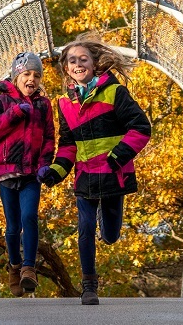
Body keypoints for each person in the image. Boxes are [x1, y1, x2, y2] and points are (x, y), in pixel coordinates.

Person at [37, 34, 151, 305]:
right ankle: (89, 287)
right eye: (72, 60)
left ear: (94, 63)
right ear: (66, 68)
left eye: (83, 59)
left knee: (110, 236)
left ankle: (108, 225)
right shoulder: (65, 104)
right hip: (85, 176)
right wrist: (56, 171)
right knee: (85, 227)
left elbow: (141, 128)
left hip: (113, 173)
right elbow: (68, 144)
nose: (78, 64)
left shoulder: (114, 92)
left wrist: (117, 157)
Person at [0, 52, 55, 297]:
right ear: (16, 76)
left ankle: (28, 269)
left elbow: (48, 138)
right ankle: (14, 266)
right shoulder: (2, 101)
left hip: (32, 173)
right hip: (7, 172)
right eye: (26, 74)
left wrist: (45, 163)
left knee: (29, 217)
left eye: (36, 75)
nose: (31, 79)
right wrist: (15, 113)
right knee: (12, 226)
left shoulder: (44, 105)